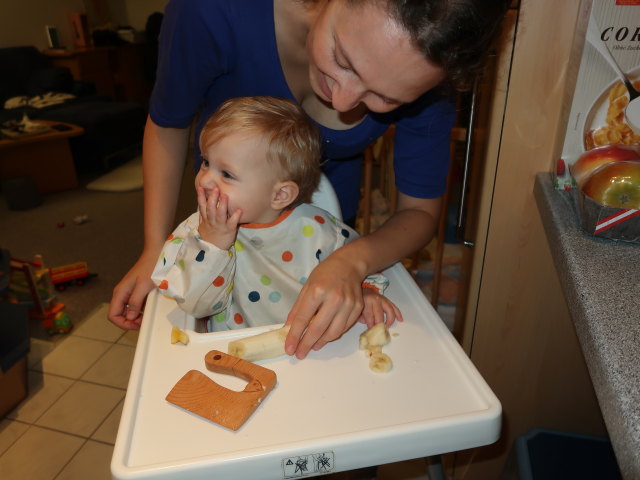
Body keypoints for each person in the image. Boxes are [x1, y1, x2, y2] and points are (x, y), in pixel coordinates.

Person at [108, 0, 509, 359]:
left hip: (320, 239)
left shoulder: (430, 71)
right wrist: (152, 248)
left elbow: (419, 212)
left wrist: (350, 263)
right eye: (343, 59)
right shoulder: (213, 9)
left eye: (386, 99)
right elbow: (168, 123)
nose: (344, 102)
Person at [151, 96, 401, 332]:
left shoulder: (317, 230)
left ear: (280, 195)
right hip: (231, 348)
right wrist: (211, 244)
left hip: (309, 343)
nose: (204, 179)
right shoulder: (195, 231)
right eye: (206, 162)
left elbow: (360, 265)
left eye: (226, 174)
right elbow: (196, 306)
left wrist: (365, 292)